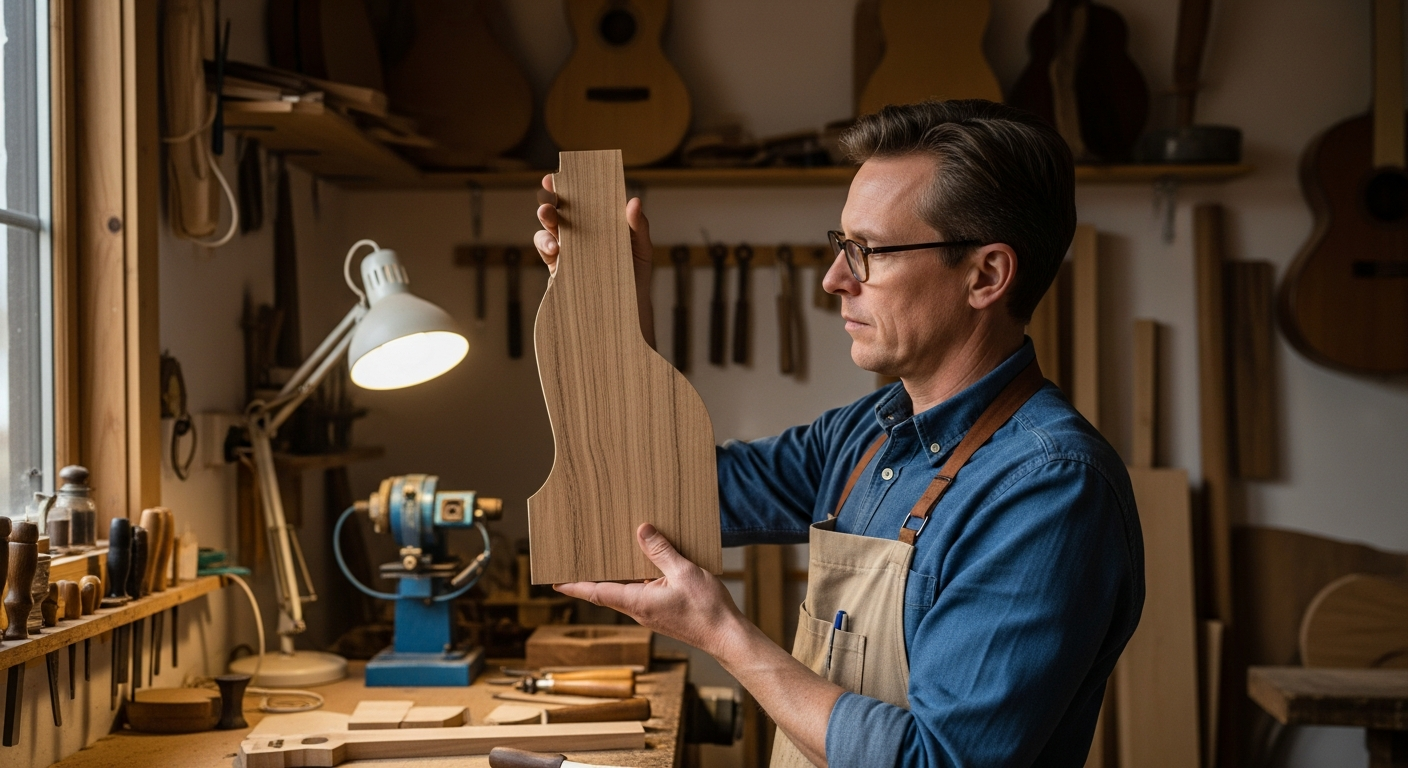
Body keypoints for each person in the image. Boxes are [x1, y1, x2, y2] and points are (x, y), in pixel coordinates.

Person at [532, 100, 1143, 768]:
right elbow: (642, 495)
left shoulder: (1048, 489)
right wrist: (611, 301)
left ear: (986, 275)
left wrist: (723, 634)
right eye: (840, 245)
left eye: (868, 252)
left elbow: (935, 763)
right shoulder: (866, 437)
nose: (834, 280)